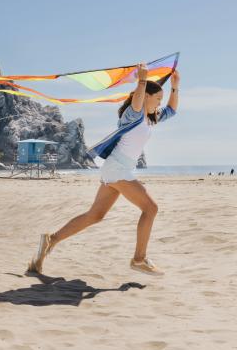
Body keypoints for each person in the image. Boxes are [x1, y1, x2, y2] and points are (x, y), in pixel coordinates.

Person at [27, 65, 179, 276]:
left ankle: (51, 240)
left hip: (116, 169)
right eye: (157, 100)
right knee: (150, 209)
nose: (160, 104)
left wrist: (175, 87)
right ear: (145, 97)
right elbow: (138, 98)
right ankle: (139, 259)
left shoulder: (149, 118)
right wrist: (142, 81)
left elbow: (171, 111)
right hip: (117, 169)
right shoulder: (133, 116)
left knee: (95, 215)